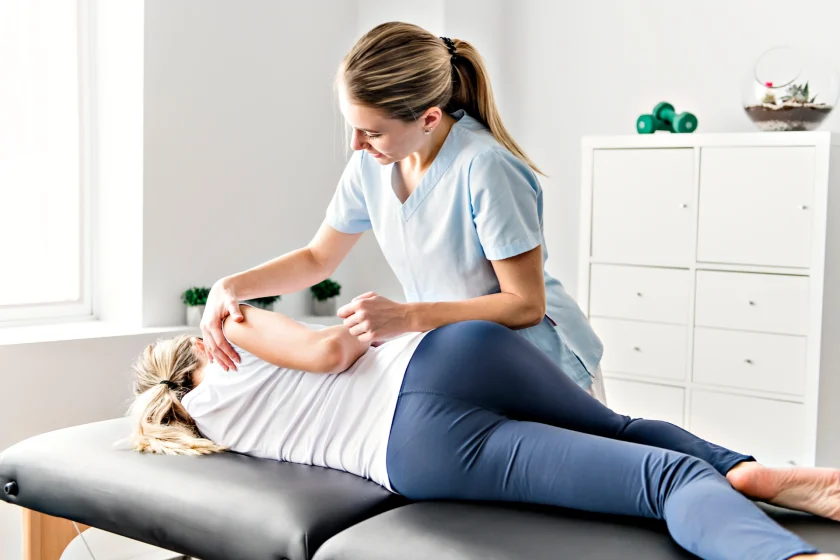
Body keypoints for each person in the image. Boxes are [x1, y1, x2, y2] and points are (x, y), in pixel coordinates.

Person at [130, 304, 840, 560]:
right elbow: (332, 352)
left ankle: (761, 517)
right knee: (630, 434)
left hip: (418, 450)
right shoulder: (228, 332)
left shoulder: (211, 427)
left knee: (662, 484)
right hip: (451, 354)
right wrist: (243, 307)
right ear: (192, 354)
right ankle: (748, 475)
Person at [199, 21, 606, 401]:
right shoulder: (371, 163)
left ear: (429, 118)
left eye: (373, 132)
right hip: (471, 357)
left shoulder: (484, 166)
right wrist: (230, 287)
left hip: (548, 365)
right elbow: (318, 258)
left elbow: (525, 304)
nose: (357, 144)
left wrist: (405, 317)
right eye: (352, 127)